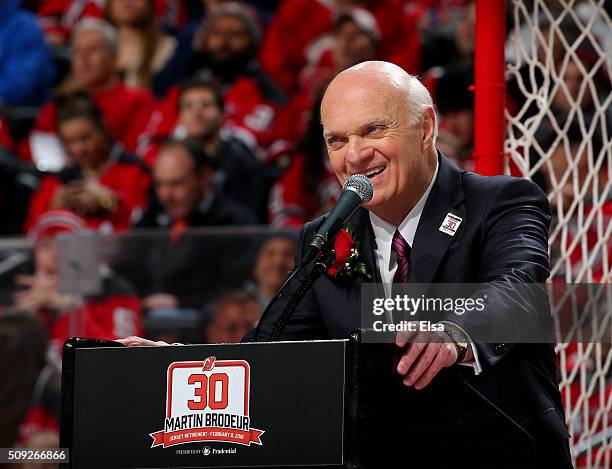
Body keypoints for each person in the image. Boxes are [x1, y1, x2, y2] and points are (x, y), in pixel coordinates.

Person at [251, 61, 572, 468]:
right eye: (337, 140)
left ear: (425, 128)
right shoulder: (326, 234)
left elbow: (520, 293)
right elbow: (279, 344)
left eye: (373, 130)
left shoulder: (502, 202)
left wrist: (454, 334)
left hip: (502, 455)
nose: (354, 155)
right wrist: (185, 362)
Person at [24, 18, 155, 159]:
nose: (83, 58)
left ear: (114, 55)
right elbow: (33, 153)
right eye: (77, 51)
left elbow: (137, 156)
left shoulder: (139, 101)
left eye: (93, 49)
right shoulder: (59, 105)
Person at [25, 94, 151, 232]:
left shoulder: (133, 171)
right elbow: (33, 231)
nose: (78, 149)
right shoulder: (57, 180)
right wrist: (54, 209)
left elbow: (145, 228)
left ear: (102, 127)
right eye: (69, 141)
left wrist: (108, 203)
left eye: (85, 138)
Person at [244, 235, 297, 310]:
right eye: (270, 253)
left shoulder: (308, 306)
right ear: (255, 263)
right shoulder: (234, 306)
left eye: (287, 254)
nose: (278, 262)